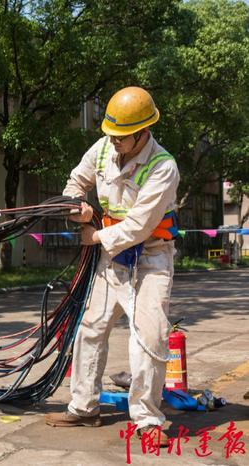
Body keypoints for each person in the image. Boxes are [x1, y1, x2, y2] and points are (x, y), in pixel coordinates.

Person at [45, 87, 180, 447]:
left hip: (151, 257)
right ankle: (83, 407)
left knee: (148, 337)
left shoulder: (163, 167)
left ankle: (147, 419)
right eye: (112, 134)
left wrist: (93, 238)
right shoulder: (104, 147)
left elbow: (138, 226)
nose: (115, 141)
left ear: (143, 132)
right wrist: (77, 207)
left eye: (123, 136)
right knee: (90, 327)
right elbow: (76, 181)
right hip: (113, 258)